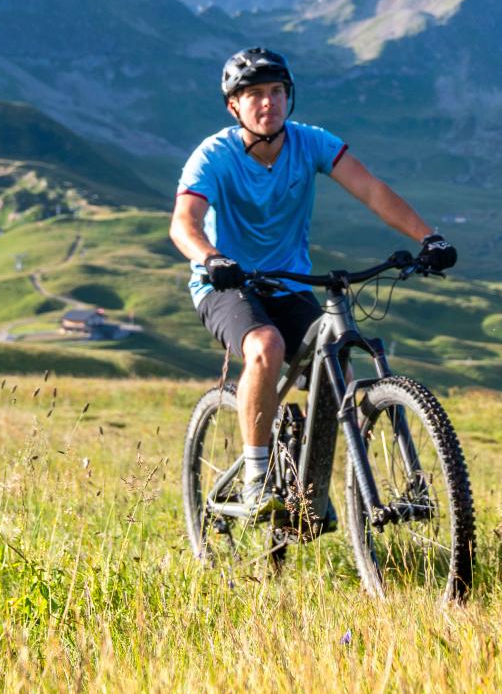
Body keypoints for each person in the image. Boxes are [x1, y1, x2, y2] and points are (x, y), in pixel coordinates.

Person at [170, 46, 457, 514]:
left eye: (278, 92)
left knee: (338, 372)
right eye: (256, 94)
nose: (269, 103)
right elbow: (184, 222)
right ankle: (256, 477)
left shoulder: (311, 143)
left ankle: (307, 490)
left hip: (288, 284)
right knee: (265, 347)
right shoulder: (214, 155)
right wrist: (211, 258)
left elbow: (371, 189)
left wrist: (430, 237)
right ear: (234, 106)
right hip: (226, 285)